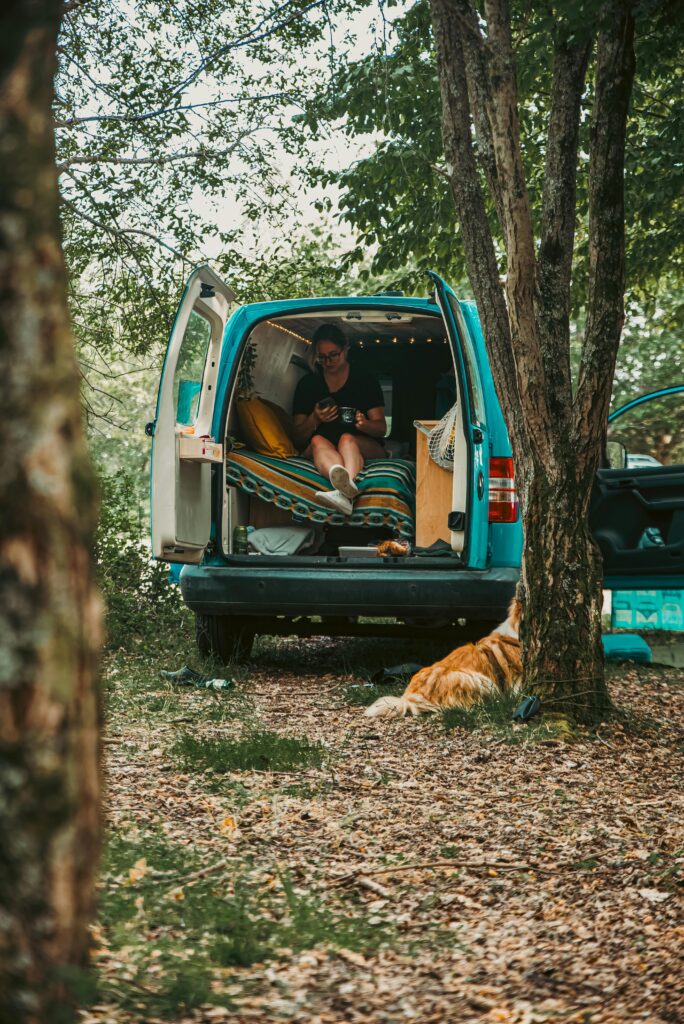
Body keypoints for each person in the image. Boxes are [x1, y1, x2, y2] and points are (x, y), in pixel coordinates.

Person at [292, 324, 387, 515]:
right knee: (316, 440)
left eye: (333, 355)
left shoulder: (364, 380)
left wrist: (364, 424)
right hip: (325, 445)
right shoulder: (308, 384)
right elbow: (297, 437)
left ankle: (343, 495)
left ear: (345, 349)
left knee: (346, 438)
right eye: (322, 357)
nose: (328, 362)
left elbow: (381, 428)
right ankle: (346, 491)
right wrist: (314, 419)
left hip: (362, 444)